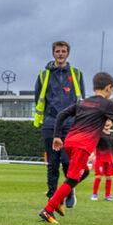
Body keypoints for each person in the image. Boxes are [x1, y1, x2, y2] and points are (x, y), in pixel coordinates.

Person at [39, 72, 113, 224]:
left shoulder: (83, 102)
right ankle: (48, 209)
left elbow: (61, 115)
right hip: (82, 146)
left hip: (70, 142)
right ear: (108, 88)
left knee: (84, 172)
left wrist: (57, 136)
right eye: (112, 90)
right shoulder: (107, 104)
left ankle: (59, 200)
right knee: (72, 179)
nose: (111, 92)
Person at [33, 42, 84, 208]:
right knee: (52, 162)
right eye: (57, 51)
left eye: (63, 51)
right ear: (53, 53)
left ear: (68, 54)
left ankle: (69, 190)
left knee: (68, 161)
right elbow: (38, 98)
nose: (60, 54)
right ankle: (52, 197)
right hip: (50, 122)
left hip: (70, 123)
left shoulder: (76, 74)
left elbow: (81, 99)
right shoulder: (43, 74)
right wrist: (47, 117)